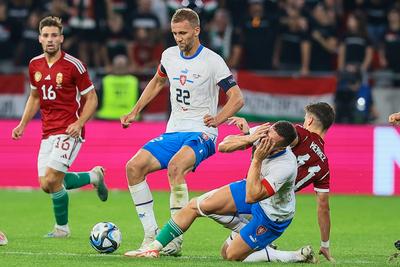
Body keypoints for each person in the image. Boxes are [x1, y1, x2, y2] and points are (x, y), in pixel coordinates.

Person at [120, 7, 244, 256]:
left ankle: (173, 241)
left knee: (176, 167)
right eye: (175, 33)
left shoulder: (212, 60)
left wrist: (218, 119)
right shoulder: (169, 56)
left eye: (184, 33)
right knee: (133, 168)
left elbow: (237, 98)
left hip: (202, 133)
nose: (179, 38)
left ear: (197, 31)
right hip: (174, 130)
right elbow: (157, 81)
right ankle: (151, 235)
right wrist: (135, 110)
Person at [125, 121, 316, 263]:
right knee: (196, 206)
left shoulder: (285, 166)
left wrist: (257, 159)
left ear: (283, 147)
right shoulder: (262, 133)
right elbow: (224, 146)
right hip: (251, 185)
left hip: (272, 213)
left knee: (229, 254)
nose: (265, 141)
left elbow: (252, 196)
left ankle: (293, 256)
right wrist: (249, 138)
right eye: (266, 136)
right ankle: (154, 248)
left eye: (270, 142)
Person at [11, 16, 108, 238]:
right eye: (46, 35)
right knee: (47, 184)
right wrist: (23, 124)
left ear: (61, 38)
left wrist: (79, 123)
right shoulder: (34, 64)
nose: (50, 39)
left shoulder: (74, 65)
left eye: (54, 35)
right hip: (47, 131)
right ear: (39, 38)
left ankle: (62, 229)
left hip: (69, 130)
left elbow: (92, 98)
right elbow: (35, 96)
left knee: (54, 178)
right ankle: (94, 177)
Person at [219, 102, 335, 262]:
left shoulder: (300, 133)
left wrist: (248, 135)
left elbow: (273, 138)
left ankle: (292, 255)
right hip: (278, 208)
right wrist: (325, 244)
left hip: (260, 200)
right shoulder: (324, 166)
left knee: (215, 216)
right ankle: (264, 242)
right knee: (226, 252)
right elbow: (323, 206)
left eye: (304, 119)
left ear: (309, 121)